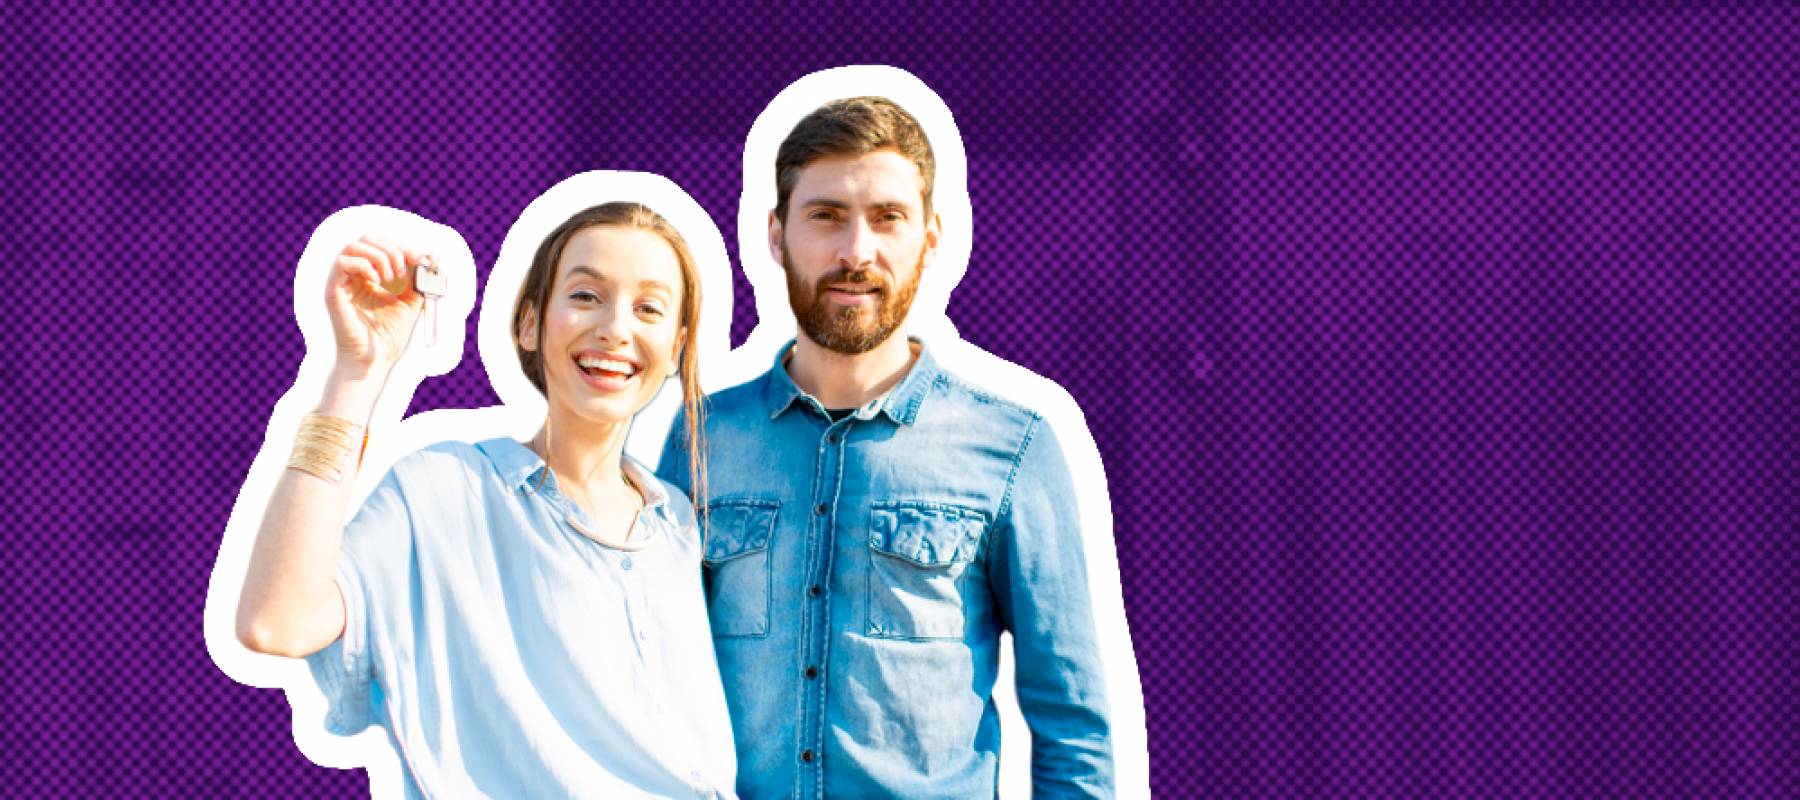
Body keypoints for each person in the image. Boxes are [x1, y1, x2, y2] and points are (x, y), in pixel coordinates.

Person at [659, 97, 1113, 797]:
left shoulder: (1014, 449)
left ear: (930, 239)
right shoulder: (702, 438)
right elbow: (652, 679)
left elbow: (1072, 728)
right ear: (777, 236)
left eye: (887, 218)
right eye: (826, 215)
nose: (856, 252)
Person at [236, 202, 736, 798]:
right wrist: (357, 372)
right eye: (584, 296)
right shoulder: (445, 492)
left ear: (677, 346)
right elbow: (278, 621)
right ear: (529, 324)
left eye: (649, 308)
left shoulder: (678, 522)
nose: (615, 328)